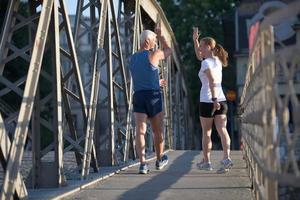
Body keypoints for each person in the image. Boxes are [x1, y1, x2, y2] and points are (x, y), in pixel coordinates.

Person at [129, 26, 172, 174]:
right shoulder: (153, 54)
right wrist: (161, 36)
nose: (155, 43)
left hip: (139, 96)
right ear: (147, 40)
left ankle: (142, 164)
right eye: (154, 40)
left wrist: (155, 81)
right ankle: (159, 160)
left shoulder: (132, 58)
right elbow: (168, 51)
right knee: (157, 130)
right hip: (152, 97)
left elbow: (141, 75)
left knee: (140, 131)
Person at [193, 27, 233, 173]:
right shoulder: (217, 60)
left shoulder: (206, 63)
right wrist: (195, 40)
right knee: (222, 130)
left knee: (207, 133)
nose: (200, 49)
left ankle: (207, 162)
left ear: (208, 47)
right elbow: (199, 55)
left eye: (202, 46)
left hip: (208, 101)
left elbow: (211, 81)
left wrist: (214, 99)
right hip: (222, 101)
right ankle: (226, 158)